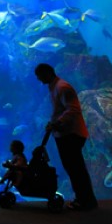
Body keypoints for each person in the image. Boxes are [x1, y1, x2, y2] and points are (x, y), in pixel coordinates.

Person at [35, 63, 98, 211]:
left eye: (40, 76)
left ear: (47, 73)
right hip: (64, 133)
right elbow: (61, 110)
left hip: (71, 134)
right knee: (73, 168)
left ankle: (86, 201)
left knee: (76, 169)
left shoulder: (62, 87)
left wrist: (57, 122)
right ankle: (83, 199)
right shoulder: (55, 87)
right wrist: (53, 123)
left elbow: (73, 109)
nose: (39, 80)